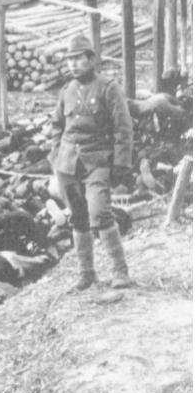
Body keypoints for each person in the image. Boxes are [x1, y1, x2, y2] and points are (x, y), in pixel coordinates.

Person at [49, 34, 134, 290]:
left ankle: (120, 272)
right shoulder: (67, 90)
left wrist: (120, 164)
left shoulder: (108, 87)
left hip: (97, 162)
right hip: (68, 165)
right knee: (78, 218)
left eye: (78, 58)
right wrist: (56, 156)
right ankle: (86, 274)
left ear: (91, 59)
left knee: (100, 213)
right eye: (69, 60)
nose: (73, 64)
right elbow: (57, 126)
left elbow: (123, 128)